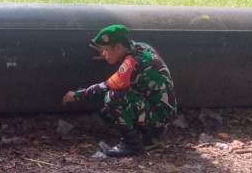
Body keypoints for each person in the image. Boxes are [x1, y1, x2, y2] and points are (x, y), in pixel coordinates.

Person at [62, 24, 176, 157]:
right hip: (161, 109)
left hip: (159, 116)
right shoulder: (141, 47)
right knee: (107, 109)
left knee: (112, 97)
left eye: (106, 49)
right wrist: (108, 54)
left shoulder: (135, 61)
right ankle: (145, 136)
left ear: (118, 47)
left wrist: (77, 95)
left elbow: (107, 85)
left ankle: (132, 144)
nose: (104, 53)